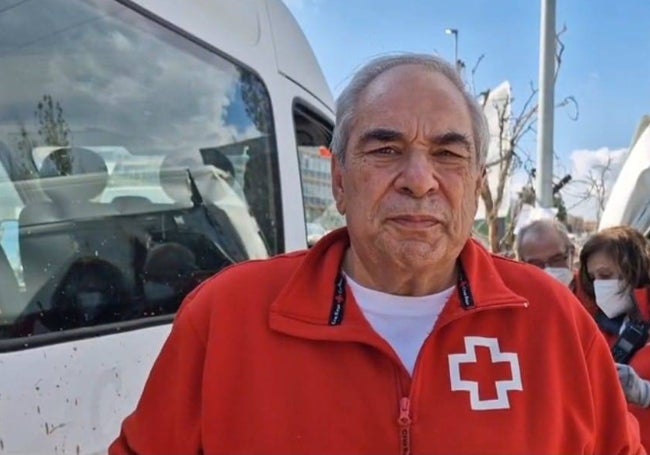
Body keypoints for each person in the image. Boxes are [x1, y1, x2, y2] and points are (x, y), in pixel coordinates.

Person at [109, 54, 643, 454]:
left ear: (477, 183)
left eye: (448, 154)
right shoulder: (227, 318)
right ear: (340, 180)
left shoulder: (554, 323)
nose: (418, 179)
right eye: (385, 149)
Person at [577, 225, 650, 448]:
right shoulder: (598, 328)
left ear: (635, 270)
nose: (600, 285)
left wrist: (644, 392)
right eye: (593, 277)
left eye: (606, 275)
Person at [515, 218, 575, 286]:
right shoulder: (514, 294)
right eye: (536, 264)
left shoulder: (587, 290)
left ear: (571, 253)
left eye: (556, 260)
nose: (548, 272)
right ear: (521, 262)